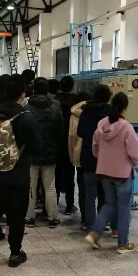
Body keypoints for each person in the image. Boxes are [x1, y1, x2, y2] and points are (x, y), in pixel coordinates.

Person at [0, 74, 41, 267]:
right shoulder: (26, 117)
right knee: (16, 215)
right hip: (19, 173)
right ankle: (15, 254)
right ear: (22, 94)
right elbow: (37, 146)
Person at [85, 93, 138, 254]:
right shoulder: (126, 127)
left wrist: (103, 160)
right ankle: (122, 243)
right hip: (122, 174)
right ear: (125, 108)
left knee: (109, 203)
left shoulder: (101, 124)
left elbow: (95, 148)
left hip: (104, 171)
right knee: (124, 208)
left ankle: (95, 234)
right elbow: (134, 152)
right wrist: (133, 163)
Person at [77, 84, 117, 233]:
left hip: (89, 156)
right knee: (105, 193)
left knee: (90, 193)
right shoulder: (112, 114)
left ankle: (90, 225)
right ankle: (103, 222)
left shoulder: (86, 112)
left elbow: (80, 132)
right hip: (107, 158)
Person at [25, 79, 63, 229]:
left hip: (30, 152)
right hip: (50, 152)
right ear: (47, 90)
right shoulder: (56, 106)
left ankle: (29, 217)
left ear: (34, 90)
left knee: (30, 186)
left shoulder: (26, 106)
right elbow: (60, 131)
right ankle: (52, 218)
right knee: (50, 186)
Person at [55, 76, 79, 215]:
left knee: (56, 173)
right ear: (73, 86)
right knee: (70, 173)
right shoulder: (76, 101)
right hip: (71, 141)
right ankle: (70, 205)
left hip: (57, 141)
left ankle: (55, 202)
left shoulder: (55, 100)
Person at [69, 91, 92, 228]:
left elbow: (71, 136)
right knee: (96, 189)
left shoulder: (74, 114)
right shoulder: (95, 113)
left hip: (79, 156)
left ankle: (85, 219)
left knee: (82, 189)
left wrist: (72, 157)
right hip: (94, 155)